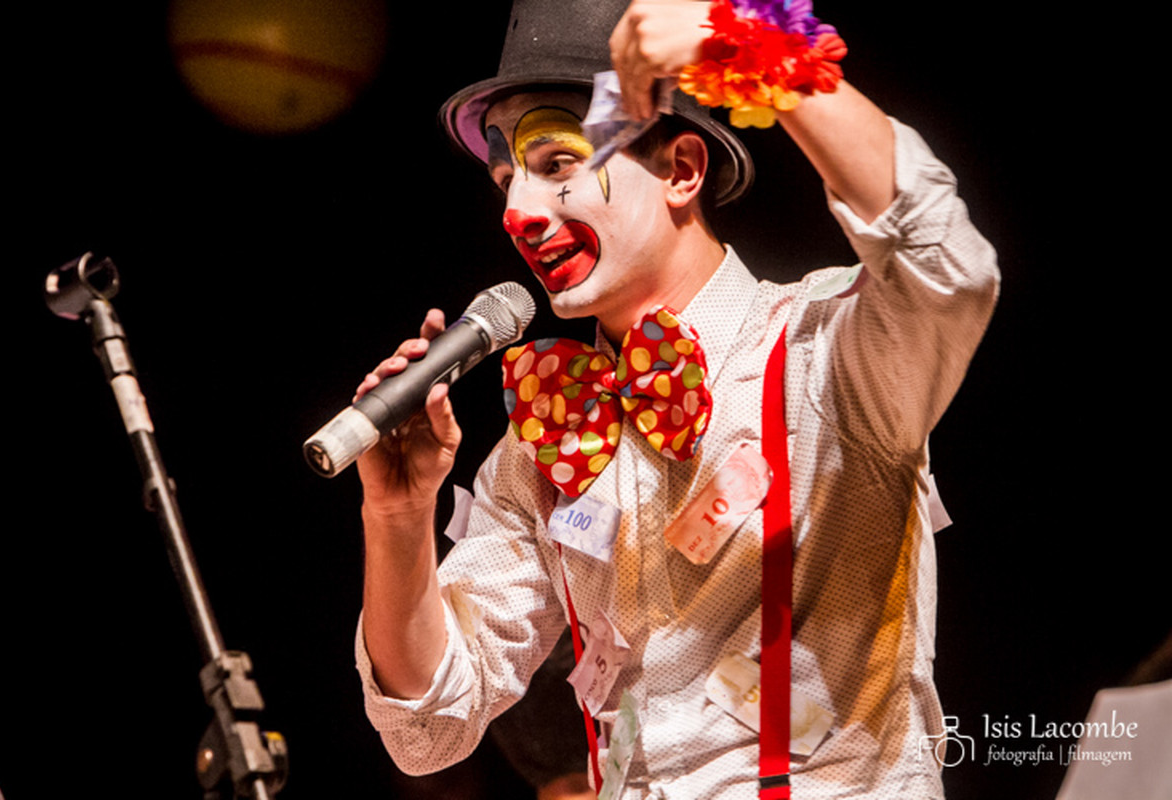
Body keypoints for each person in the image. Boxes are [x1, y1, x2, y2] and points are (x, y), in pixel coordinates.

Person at [350, 0, 999, 797]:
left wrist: (751, 42)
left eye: (557, 163)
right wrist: (397, 517)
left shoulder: (827, 353)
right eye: (507, 180)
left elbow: (947, 261)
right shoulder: (544, 446)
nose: (518, 212)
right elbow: (428, 728)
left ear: (682, 170)